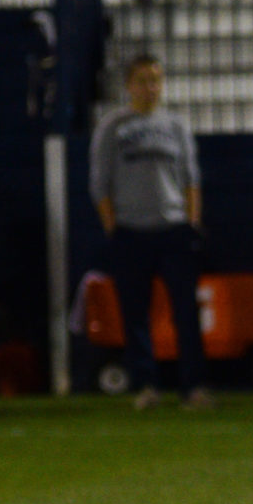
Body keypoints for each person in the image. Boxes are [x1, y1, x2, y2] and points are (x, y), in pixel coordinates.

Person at [90, 53, 212, 411]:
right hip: (131, 231)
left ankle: (193, 387)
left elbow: (191, 177)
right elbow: (99, 182)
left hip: (173, 229)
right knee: (135, 313)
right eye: (142, 80)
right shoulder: (112, 127)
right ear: (129, 85)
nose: (150, 88)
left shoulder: (176, 126)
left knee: (186, 312)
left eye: (156, 80)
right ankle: (145, 386)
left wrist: (191, 221)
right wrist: (112, 225)